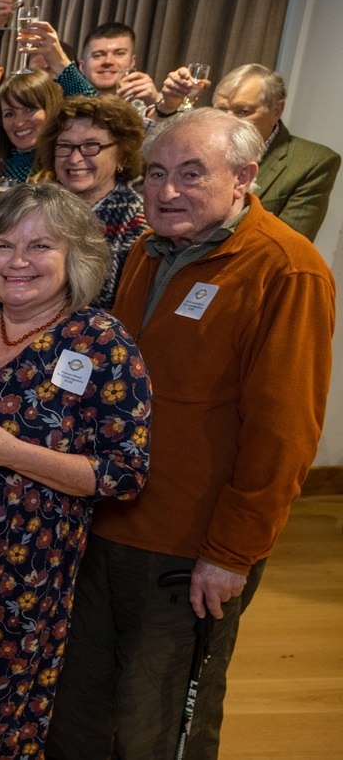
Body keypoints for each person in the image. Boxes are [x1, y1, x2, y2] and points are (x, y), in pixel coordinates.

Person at [47, 110, 336, 760]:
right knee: (81, 714)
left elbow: (284, 434)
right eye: (156, 173)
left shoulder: (286, 271)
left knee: (161, 722)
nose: (167, 191)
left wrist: (232, 552)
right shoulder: (151, 252)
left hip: (188, 549)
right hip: (107, 523)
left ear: (244, 178)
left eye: (189, 174)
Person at [0, 184, 152, 760]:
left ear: (77, 260)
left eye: (40, 246)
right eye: (2, 244)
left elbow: (125, 472)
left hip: (26, 571)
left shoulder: (101, 342)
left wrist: (15, 455)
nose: (17, 261)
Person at [34, 96, 147, 308]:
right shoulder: (38, 208)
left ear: (122, 155)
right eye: (65, 146)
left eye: (91, 146)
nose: (75, 159)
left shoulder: (136, 219)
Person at [212, 63, 339, 240]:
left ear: (276, 110)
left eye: (242, 111)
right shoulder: (202, 149)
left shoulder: (313, 161)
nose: (229, 120)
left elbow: (288, 243)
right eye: (222, 110)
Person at [0, 71, 65, 184]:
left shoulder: (63, 169)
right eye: (9, 114)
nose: (19, 123)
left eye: (29, 109)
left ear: (51, 110)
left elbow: (92, 109)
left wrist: (59, 62)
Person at [76, 22, 161, 108]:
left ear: (131, 62)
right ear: (82, 67)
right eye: (98, 55)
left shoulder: (153, 104)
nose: (108, 61)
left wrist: (157, 106)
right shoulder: (67, 109)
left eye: (119, 54)